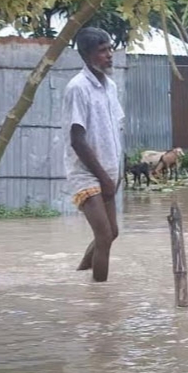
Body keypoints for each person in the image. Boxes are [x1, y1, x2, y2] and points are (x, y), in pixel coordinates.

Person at [65, 27, 124, 282]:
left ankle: (81, 274)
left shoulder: (109, 86)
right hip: (86, 172)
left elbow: (114, 130)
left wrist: (116, 172)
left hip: (108, 170)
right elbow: (77, 140)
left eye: (110, 49)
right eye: (102, 51)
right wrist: (103, 177)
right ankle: (100, 301)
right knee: (103, 235)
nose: (109, 55)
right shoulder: (77, 88)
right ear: (87, 54)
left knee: (112, 233)